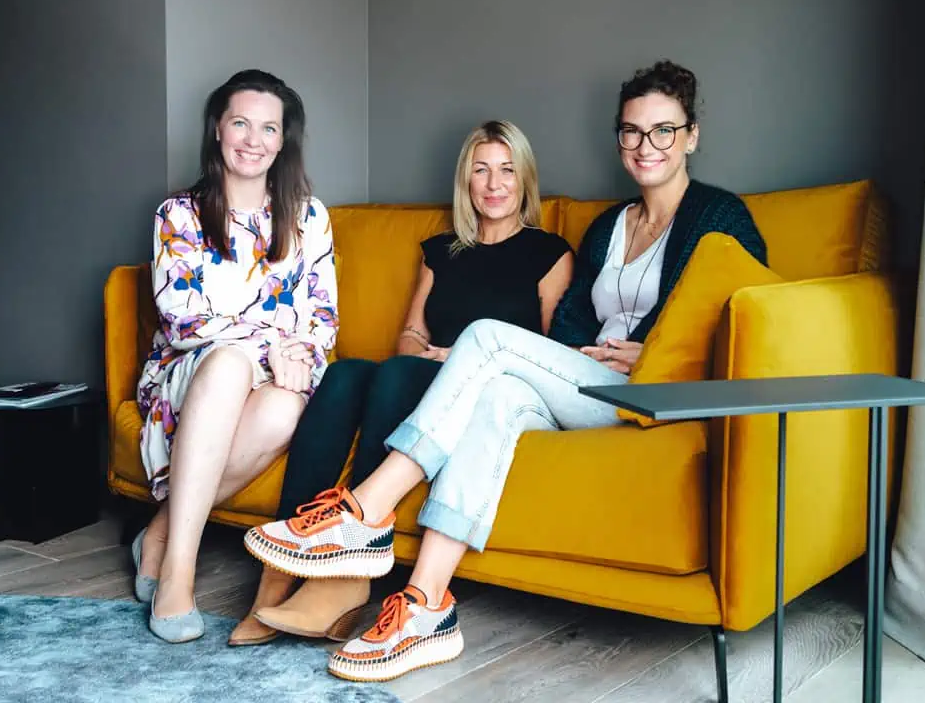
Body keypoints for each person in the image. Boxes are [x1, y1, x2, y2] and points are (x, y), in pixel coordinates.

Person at [243, 60, 769, 682]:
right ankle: (424, 606)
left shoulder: (720, 217)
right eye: (631, 131)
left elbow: (743, 313)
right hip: (585, 383)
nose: (645, 145)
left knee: (488, 339)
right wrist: (593, 353)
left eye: (663, 131)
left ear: (691, 136)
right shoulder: (609, 228)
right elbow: (569, 331)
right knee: (492, 395)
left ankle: (364, 514)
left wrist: (649, 351)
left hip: (651, 390)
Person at [225, 120, 575, 646]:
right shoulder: (441, 250)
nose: (494, 183)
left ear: (525, 180)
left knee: (397, 373)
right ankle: (276, 578)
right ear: (466, 181)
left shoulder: (550, 254)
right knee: (345, 374)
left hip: (486, 388)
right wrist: (426, 352)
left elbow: (548, 359)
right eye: (481, 170)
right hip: (422, 370)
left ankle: (347, 579)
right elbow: (410, 333)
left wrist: (455, 357)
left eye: (507, 170)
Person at [132, 69, 338, 644]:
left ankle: (157, 534)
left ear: (283, 140)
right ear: (217, 130)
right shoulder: (179, 214)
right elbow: (182, 315)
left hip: (271, 376)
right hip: (185, 372)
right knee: (226, 363)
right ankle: (179, 572)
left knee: (283, 411)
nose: (254, 139)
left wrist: (292, 352)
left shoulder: (309, 216)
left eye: (268, 128)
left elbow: (322, 319)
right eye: (241, 123)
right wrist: (271, 342)